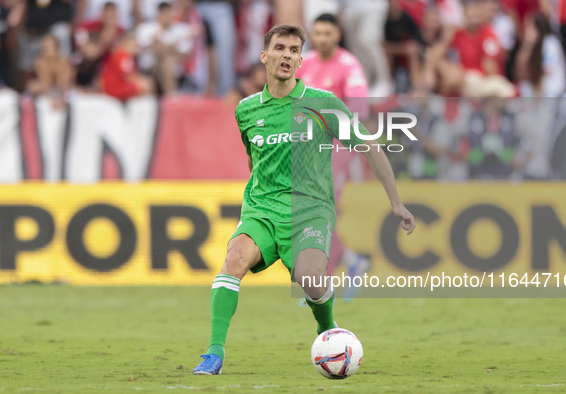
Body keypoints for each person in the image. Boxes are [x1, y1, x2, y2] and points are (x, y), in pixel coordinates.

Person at [192, 23, 415, 375]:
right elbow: (254, 158)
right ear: (264, 56)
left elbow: (369, 146)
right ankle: (213, 353)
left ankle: (327, 328)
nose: (287, 55)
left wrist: (396, 201)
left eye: (294, 50)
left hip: (310, 209)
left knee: (310, 279)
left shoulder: (322, 103)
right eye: (280, 48)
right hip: (262, 208)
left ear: (299, 61)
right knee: (234, 260)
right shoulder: (246, 110)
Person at [295, 13, 371, 299]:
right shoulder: (306, 63)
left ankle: (322, 284)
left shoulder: (348, 65)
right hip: (305, 149)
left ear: (338, 35)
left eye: (327, 33)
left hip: (334, 146)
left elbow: (359, 109)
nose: (322, 38)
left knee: (322, 210)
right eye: (317, 33)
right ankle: (352, 263)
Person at [136, 2, 193, 94]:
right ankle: (171, 95)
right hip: (151, 69)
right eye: (164, 13)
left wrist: (160, 45)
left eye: (169, 13)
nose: (167, 17)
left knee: (167, 60)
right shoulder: (146, 29)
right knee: (166, 59)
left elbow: (185, 55)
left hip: (174, 71)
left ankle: (170, 95)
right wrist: (173, 44)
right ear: (159, 14)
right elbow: (142, 49)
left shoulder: (181, 29)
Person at [515, 13, 566, 97]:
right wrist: (527, 47)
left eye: (529, 27)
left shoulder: (550, 43)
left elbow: (544, 73)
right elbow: (520, 74)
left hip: (552, 91)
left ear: (538, 28)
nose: (526, 30)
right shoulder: (532, 44)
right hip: (538, 91)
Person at [99, 32, 154, 101]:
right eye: (134, 45)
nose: (136, 48)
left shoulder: (123, 54)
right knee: (146, 85)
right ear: (126, 43)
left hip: (114, 86)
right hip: (115, 88)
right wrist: (144, 81)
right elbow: (129, 76)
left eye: (137, 46)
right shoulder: (123, 56)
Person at [26, 33, 71, 108]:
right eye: (47, 48)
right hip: (48, 90)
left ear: (57, 47)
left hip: (62, 90)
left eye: (52, 47)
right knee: (32, 85)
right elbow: (44, 81)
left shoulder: (64, 61)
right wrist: (51, 98)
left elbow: (65, 82)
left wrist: (61, 98)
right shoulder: (40, 61)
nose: (50, 51)